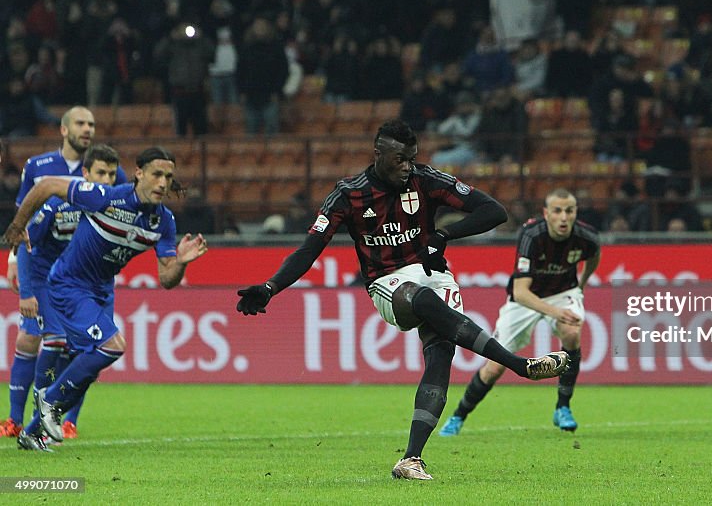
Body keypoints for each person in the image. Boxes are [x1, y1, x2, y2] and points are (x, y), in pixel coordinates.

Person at [235, 120, 569, 480]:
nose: (407, 167)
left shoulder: (425, 179)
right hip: (387, 283)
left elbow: (493, 211)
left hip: (433, 275)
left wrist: (443, 233)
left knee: (441, 356)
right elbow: (308, 250)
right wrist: (270, 287)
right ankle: (519, 366)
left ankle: (411, 459)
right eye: (399, 160)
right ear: (378, 154)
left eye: (411, 158)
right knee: (421, 299)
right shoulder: (349, 194)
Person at [3, 147, 208, 451]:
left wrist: (181, 262)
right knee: (113, 346)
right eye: (156, 174)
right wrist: (17, 227)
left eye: (168, 177)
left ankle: (31, 433)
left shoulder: (163, 222)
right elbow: (46, 186)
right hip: (69, 284)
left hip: (100, 290)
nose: (163, 183)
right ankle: (49, 401)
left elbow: (167, 280)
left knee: (89, 362)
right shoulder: (105, 197)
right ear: (139, 173)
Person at [1, 106, 128, 440]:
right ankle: (18, 419)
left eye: (92, 124)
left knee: (86, 348)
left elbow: (125, 210)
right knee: (33, 337)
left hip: (86, 271)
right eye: (81, 123)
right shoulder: (39, 168)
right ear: (63, 129)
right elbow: (24, 220)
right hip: (44, 268)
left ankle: (65, 418)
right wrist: (14, 264)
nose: (87, 129)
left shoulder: (112, 171)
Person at [438, 189, 600, 437]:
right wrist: (555, 312)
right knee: (494, 367)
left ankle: (563, 408)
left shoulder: (586, 236)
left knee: (571, 332)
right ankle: (458, 416)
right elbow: (520, 291)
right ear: (546, 213)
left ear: (576, 212)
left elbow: (594, 256)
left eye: (569, 211)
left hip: (563, 292)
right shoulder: (532, 234)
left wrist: (581, 286)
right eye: (557, 211)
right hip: (525, 300)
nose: (564, 217)